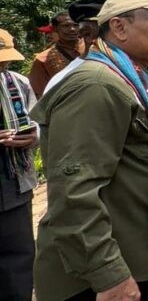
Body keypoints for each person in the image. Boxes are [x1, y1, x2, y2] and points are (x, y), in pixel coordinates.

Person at [31, 0, 148, 301]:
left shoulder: (138, 77)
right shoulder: (97, 85)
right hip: (114, 278)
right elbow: (74, 191)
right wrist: (108, 275)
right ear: (119, 27)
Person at [0, 29, 40, 301]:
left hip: (14, 181)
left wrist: (33, 135)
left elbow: (37, 120)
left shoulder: (18, 83)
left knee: (20, 256)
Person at [43, 0, 108, 95]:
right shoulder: (64, 79)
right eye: (115, 28)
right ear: (87, 34)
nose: (72, 29)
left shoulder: (130, 66)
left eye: (75, 25)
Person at [28, 11, 83, 96]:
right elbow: (39, 93)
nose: (72, 29)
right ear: (55, 28)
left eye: (76, 25)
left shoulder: (94, 49)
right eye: (66, 26)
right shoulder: (43, 59)